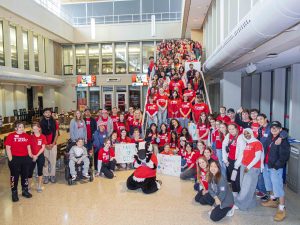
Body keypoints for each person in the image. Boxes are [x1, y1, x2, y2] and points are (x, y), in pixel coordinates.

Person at [261, 121, 290, 222]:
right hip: (267, 165)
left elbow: (285, 156)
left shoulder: (283, 140)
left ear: (280, 129)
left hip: (275, 167)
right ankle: (273, 200)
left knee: (278, 187)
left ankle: (282, 208)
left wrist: (276, 166)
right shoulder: (270, 136)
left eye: (276, 128)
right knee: (269, 184)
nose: (274, 129)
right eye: (272, 127)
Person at [234, 128, 263, 211]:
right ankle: (250, 203)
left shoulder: (257, 143)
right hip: (244, 166)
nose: (246, 135)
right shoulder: (248, 143)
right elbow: (244, 155)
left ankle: (240, 204)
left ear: (252, 133)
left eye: (248, 133)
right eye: (245, 134)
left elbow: (257, 157)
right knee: (246, 186)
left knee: (246, 187)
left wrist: (248, 167)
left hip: (252, 168)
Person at [5, 121, 33, 202]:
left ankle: (25, 191)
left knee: (25, 175)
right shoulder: (11, 136)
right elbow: (8, 148)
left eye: (22, 127)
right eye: (20, 127)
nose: (22, 128)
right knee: (14, 177)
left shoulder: (26, 136)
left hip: (25, 159)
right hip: (15, 159)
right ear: (15, 128)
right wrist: (11, 159)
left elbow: (28, 147)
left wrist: (30, 156)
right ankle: (14, 193)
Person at [40, 108, 59, 184]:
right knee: (45, 161)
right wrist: (46, 144)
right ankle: (46, 176)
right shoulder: (41, 123)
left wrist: (53, 143)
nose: (48, 113)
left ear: (51, 114)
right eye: (46, 112)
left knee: (53, 161)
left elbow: (57, 133)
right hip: (44, 145)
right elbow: (40, 135)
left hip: (53, 144)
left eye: (49, 112)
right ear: (44, 114)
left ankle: (52, 175)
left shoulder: (55, 122)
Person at [222, 123, 242, 195]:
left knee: (238, 178)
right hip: (230, 159)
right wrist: (225, 159)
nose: (231, 130)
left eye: (233, 129)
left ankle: (240, 193)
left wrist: (237, 164)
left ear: (236, 129)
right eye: (229, 129)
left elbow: (242, 152)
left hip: (238, 161)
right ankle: (234, 191)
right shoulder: (228, 135)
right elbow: (224, 147)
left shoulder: (241, 137)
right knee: (232, 176)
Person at [28, 123, 46, 193]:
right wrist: (32, 155)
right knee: (30, 172)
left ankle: (39, 186)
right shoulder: (30, 137)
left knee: (40, 171)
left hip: (40, 155)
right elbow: (28, 147)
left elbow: (43, 147)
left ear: (39, 129)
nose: (35, 130)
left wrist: (37, 155)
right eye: (33, 129)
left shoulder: (42, 137)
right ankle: (29, 186)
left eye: (36, 128)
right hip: (31, 156)